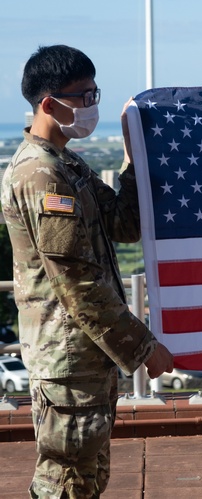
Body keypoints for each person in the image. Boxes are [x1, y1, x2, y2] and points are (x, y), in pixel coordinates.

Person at [1, 45, 175, 497]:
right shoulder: (41, 175)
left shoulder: (68, 163)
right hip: (67, 358)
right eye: (83, 96)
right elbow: (76, 283)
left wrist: (134, 157)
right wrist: (142, 347)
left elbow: (124, 223)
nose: (91, 105)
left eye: (95, 93)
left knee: (88, 472)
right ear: (49, 103)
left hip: (84, 355)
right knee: (66, 477)